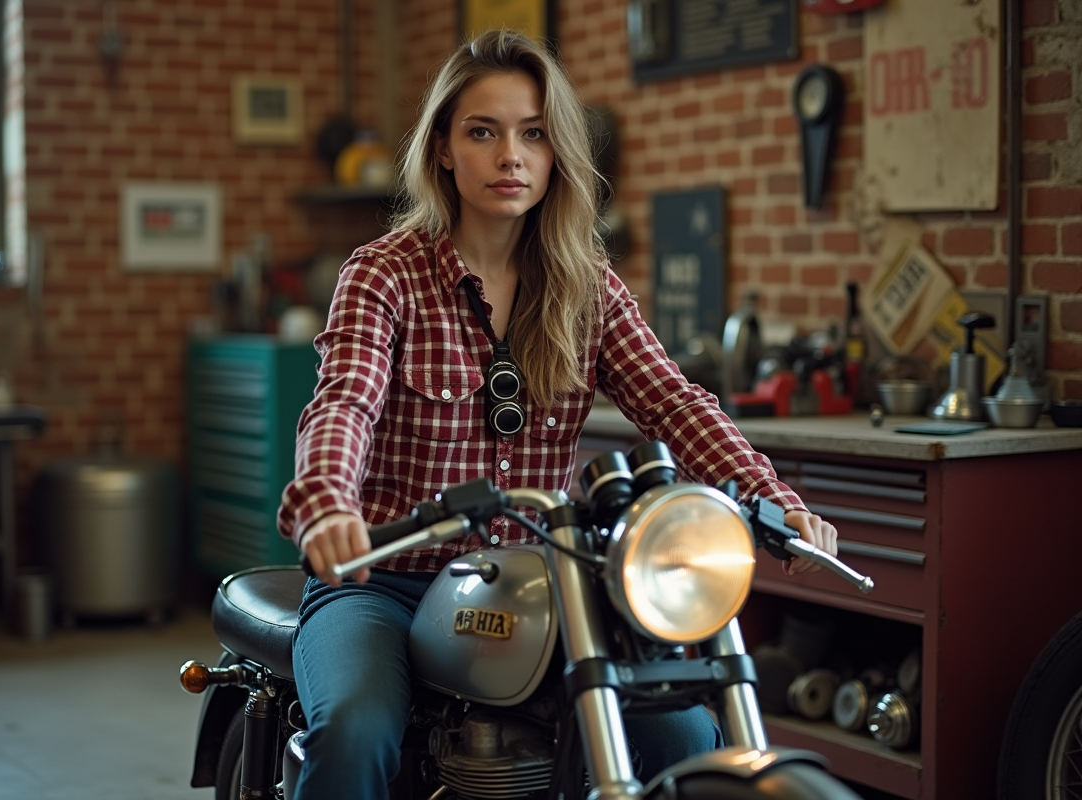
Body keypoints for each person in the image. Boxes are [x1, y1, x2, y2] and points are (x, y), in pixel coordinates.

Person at [278, 28, 838, 800]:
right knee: (356, 730)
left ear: (555, 154)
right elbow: (345, 401)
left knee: (679, 730)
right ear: (443, 148)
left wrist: (774, 500)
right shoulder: (385, 273)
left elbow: (673, 400)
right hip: (385, 577)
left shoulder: (587, 285)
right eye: (484, 132)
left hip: (530, 589)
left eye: (533, 134)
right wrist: (328, 504)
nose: (511, 155)